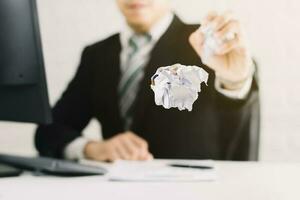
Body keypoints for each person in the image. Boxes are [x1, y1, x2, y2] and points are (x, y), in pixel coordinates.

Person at [35, 0, 260, 162]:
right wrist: (92, 148)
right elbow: (49, 131)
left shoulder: (206, 45)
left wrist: (237, 80)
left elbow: (234, 110)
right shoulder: (97, 55)